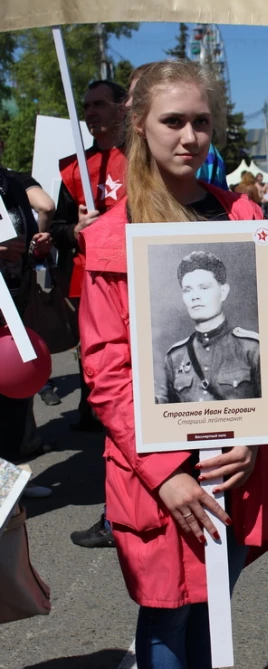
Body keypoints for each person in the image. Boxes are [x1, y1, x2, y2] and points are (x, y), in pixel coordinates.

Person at [78, 59, 268, 669]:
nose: (191, 135)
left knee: (210, 603)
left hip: (232, 464)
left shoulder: (240, 218)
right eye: (174, 121)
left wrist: (260, 439)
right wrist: (166, 471)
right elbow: (104, 369)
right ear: (140, 124)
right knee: (168, 608)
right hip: (155, 471)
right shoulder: (111, 235)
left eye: (201, 121)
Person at [50, 79, 127, 433]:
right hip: (88, 274)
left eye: (99, 104)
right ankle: (93, 406)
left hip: (133, 269)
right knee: (96, 347)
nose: (91, 112)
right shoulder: (72, 168)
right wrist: (75, 230)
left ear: (121, 108)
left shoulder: (143, 159)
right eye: (87, 106)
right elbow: (56, 228)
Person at [0, 166, 53, 470]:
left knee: (14, 402)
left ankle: (11, 480)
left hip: (17, 303)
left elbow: (29, 242)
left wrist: (38, 248)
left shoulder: (12, 184)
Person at [156, 250, 261, 404]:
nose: (195, 296)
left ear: (223, 292)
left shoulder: (251, 348)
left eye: (204, 288)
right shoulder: (175, 357)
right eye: (187, 290)